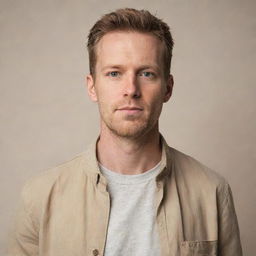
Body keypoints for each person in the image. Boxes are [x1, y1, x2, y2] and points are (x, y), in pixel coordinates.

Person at [8, 8, 243, 256]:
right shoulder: (40, 196)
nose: (131, 89)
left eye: (146, 73)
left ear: (168, 88)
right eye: (114, 73)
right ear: (92, 87)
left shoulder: (212, 192)